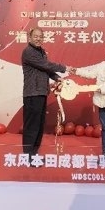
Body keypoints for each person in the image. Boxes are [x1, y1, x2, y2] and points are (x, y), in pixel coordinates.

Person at [22, 28, 72, 156]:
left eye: (41, 36)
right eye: (35, 36)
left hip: (42, 92)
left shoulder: (41, 52)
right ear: (29, 38)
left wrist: (58, 78)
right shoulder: (29, 52)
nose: (38, 39)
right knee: (32, 126)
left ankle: (34, 154)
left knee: (39, 125)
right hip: (32, 93)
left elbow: (46, 69)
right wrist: (65, 68)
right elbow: (46, 65)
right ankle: (28, 155)